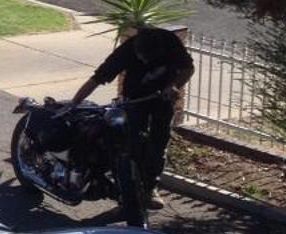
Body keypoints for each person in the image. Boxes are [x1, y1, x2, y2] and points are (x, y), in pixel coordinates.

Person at [71, 24, 195, 200]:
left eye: (150, 59)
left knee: (158, 143)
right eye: (142, 58)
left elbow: (188, 68)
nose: (146, 62)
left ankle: (150, 187)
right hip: (135, 99)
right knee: (132, 141)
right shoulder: (126, 51)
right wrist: (74, 103)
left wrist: (174, 86)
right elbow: (98, 78)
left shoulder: (170, 43)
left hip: (162, 99)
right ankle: (124, 182)